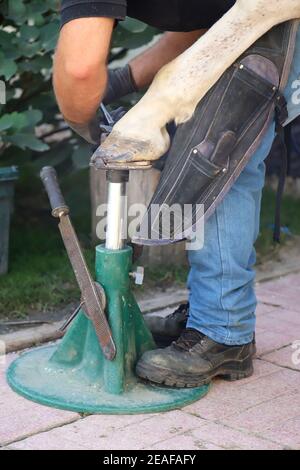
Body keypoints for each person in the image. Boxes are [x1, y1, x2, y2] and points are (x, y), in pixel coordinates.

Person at [54, 1, 300, 388]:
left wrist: (83, 119)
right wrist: (120, 83)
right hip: (243, 18)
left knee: (222, 162)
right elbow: (213, 20)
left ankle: (223, 331)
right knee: (205, 156)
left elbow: (79, 70)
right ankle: (210, 309)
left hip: (277, 22)